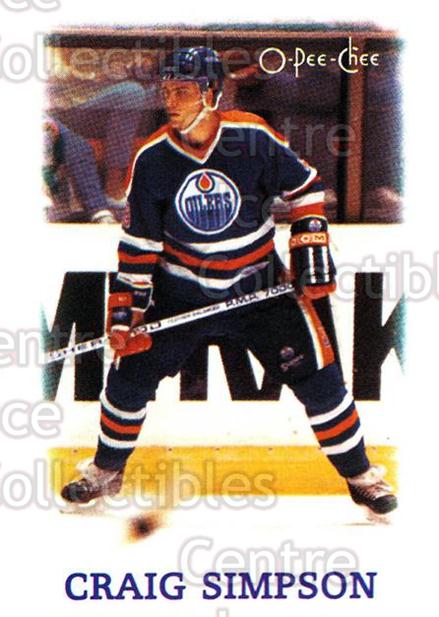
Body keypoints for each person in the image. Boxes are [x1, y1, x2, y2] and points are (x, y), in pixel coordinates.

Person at [61, 47, 397, 518]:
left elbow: (306, 189)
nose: (170, 101)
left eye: (183, 91)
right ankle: (105, 470)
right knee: (128, 381)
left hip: (259, 288)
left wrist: (310, 248)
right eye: (166, 91)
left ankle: (362, 477)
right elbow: (139, 246)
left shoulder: (252, 139)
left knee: (320, 381)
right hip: (180, 294)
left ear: (212, 93)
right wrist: (125, 314)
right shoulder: (153, 158)